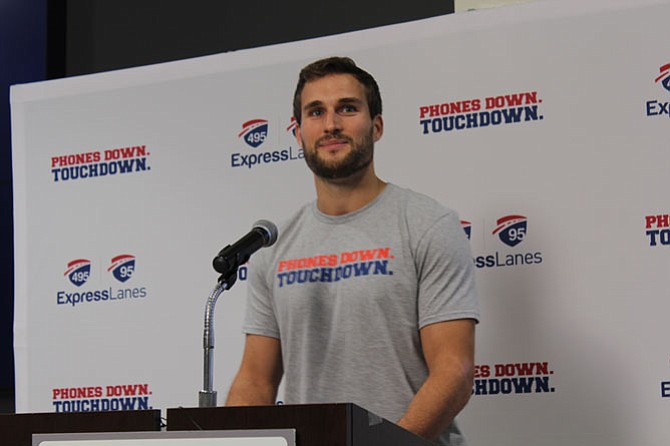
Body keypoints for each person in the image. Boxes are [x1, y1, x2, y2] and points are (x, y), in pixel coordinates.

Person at [226, 56, 479, 446]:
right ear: (297, 132)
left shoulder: (427, 224)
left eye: (347, 108)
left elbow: (454, 371)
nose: (331, 124)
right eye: (316, 112)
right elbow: (256, 380)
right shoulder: (274, 246)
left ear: (376, 126)